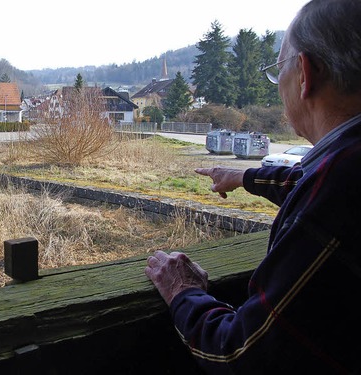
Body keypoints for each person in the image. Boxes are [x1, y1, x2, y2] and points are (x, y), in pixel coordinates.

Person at [144, 0, 361, 373]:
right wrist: (245, 177)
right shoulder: (342, 169)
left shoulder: (339, 189)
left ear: (305, 73)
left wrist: (184, 292)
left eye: (279, 72)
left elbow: (242, 352)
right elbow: (307, 182)